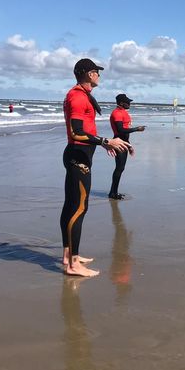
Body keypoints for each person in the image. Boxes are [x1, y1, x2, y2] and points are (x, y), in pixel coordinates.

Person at [61, 58, 130, 277]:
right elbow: (76, 132)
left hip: (80, 155)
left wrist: (101, 144)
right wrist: (105, 141)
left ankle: (68, 254)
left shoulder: (81, 95)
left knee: (71, 206)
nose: (99, 75)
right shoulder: (78, 97)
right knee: (79, 208)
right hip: (77, 158)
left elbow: (84, 132)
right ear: (89, 74)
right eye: (96, 72)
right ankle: (73, 264)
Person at [108, 94, 146, 200]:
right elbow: (120, 131)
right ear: (121, 103)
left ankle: (114, 192)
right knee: (119, 168)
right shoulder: (117, 113)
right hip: (118, 142)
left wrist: (129, 146)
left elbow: (125, 133)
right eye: (127, 102)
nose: (129, 104)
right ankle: (113, 193)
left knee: (121, 168)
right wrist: (136, 129)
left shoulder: (123, 112)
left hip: (124, 142)